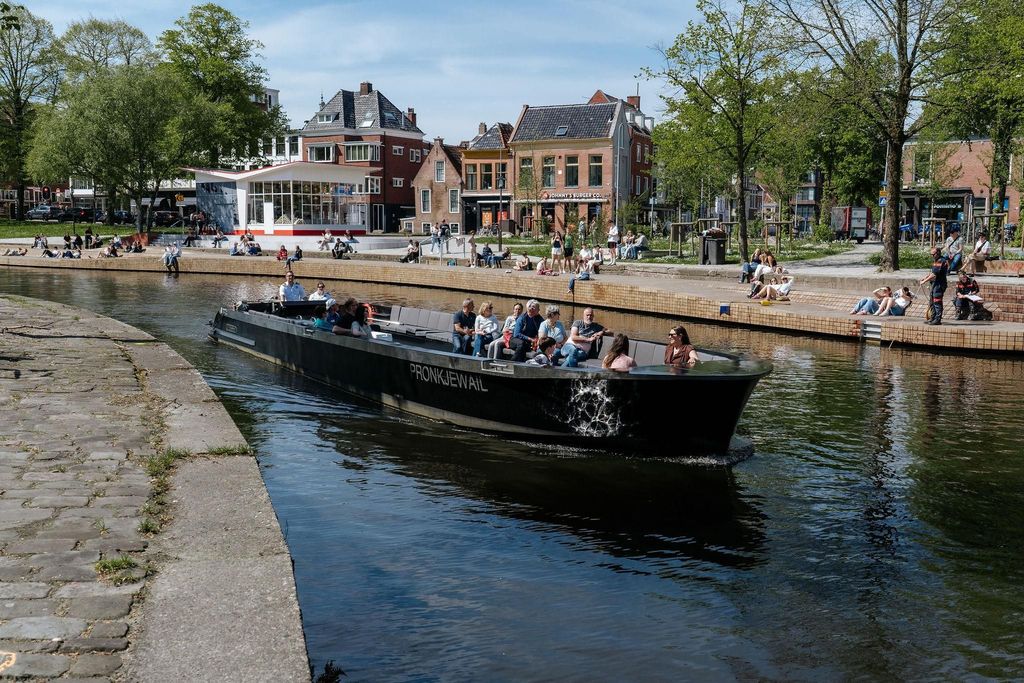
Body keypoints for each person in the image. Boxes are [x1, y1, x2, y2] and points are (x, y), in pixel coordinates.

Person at [920, 245, 949, 325]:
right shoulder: (936, 261)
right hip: (934, 284)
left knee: (937, 301)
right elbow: (932, 273)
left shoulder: (941, 261)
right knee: (932, 301)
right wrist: (925, 278)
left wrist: (924, 281)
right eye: (931, 254)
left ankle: (937, 319)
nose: (932, 256)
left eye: (933, 254)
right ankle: (932, 317)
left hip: (939, 284)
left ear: (938, 253)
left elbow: (934, 274)